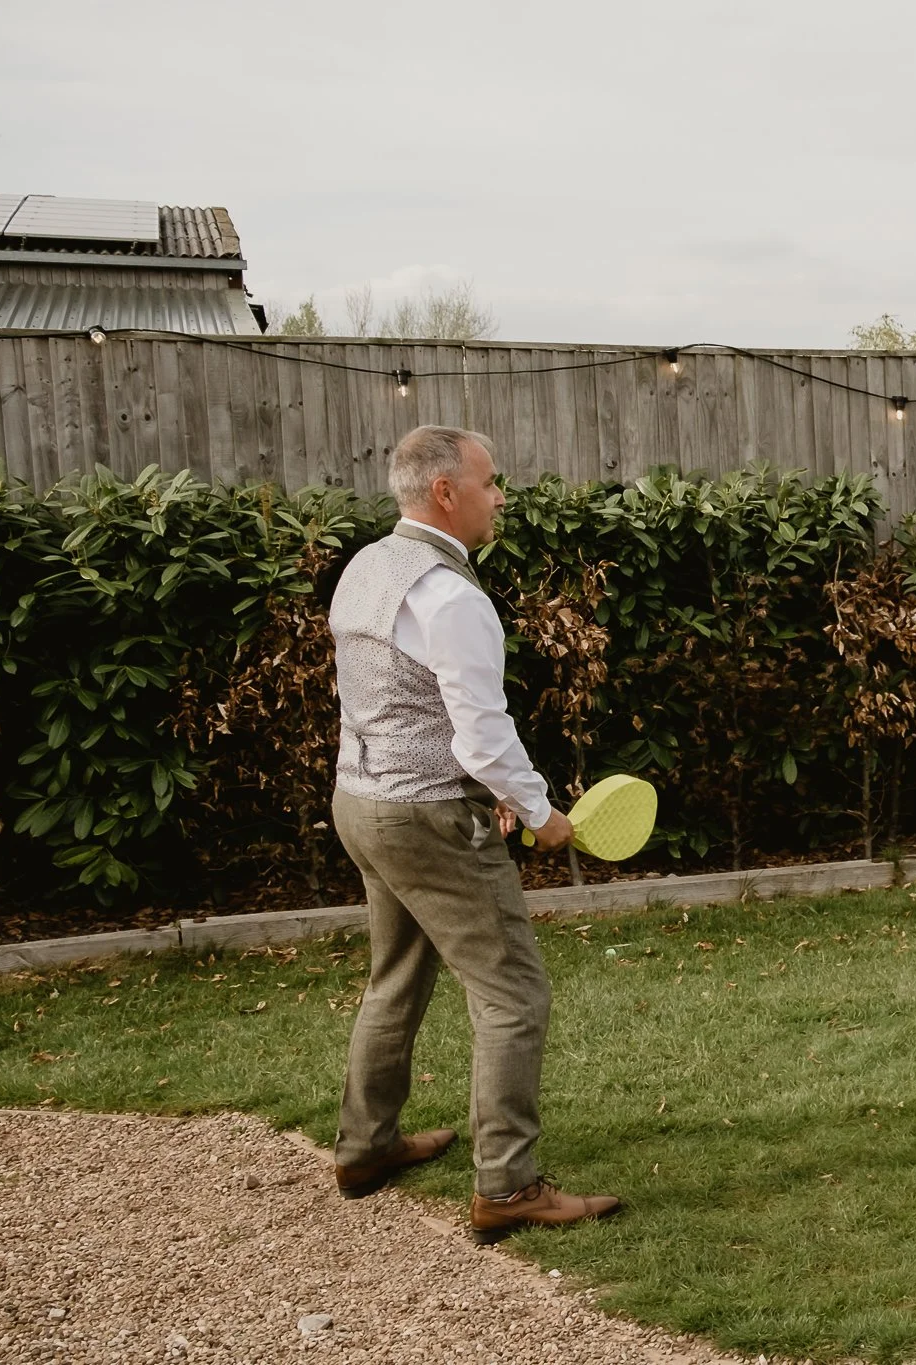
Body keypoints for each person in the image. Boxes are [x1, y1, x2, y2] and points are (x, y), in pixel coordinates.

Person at [327, 424, 619, 1242]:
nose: (500, 497)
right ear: (445, 492)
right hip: (425, 818)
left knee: (395, 978)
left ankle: (366, 1147)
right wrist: (539, 812)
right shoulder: (452, 595)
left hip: (361, 801)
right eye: (491, 483)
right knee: (512, 993)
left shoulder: (366, 568)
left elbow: (390, 696)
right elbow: (482, 735)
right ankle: (507, 1186)